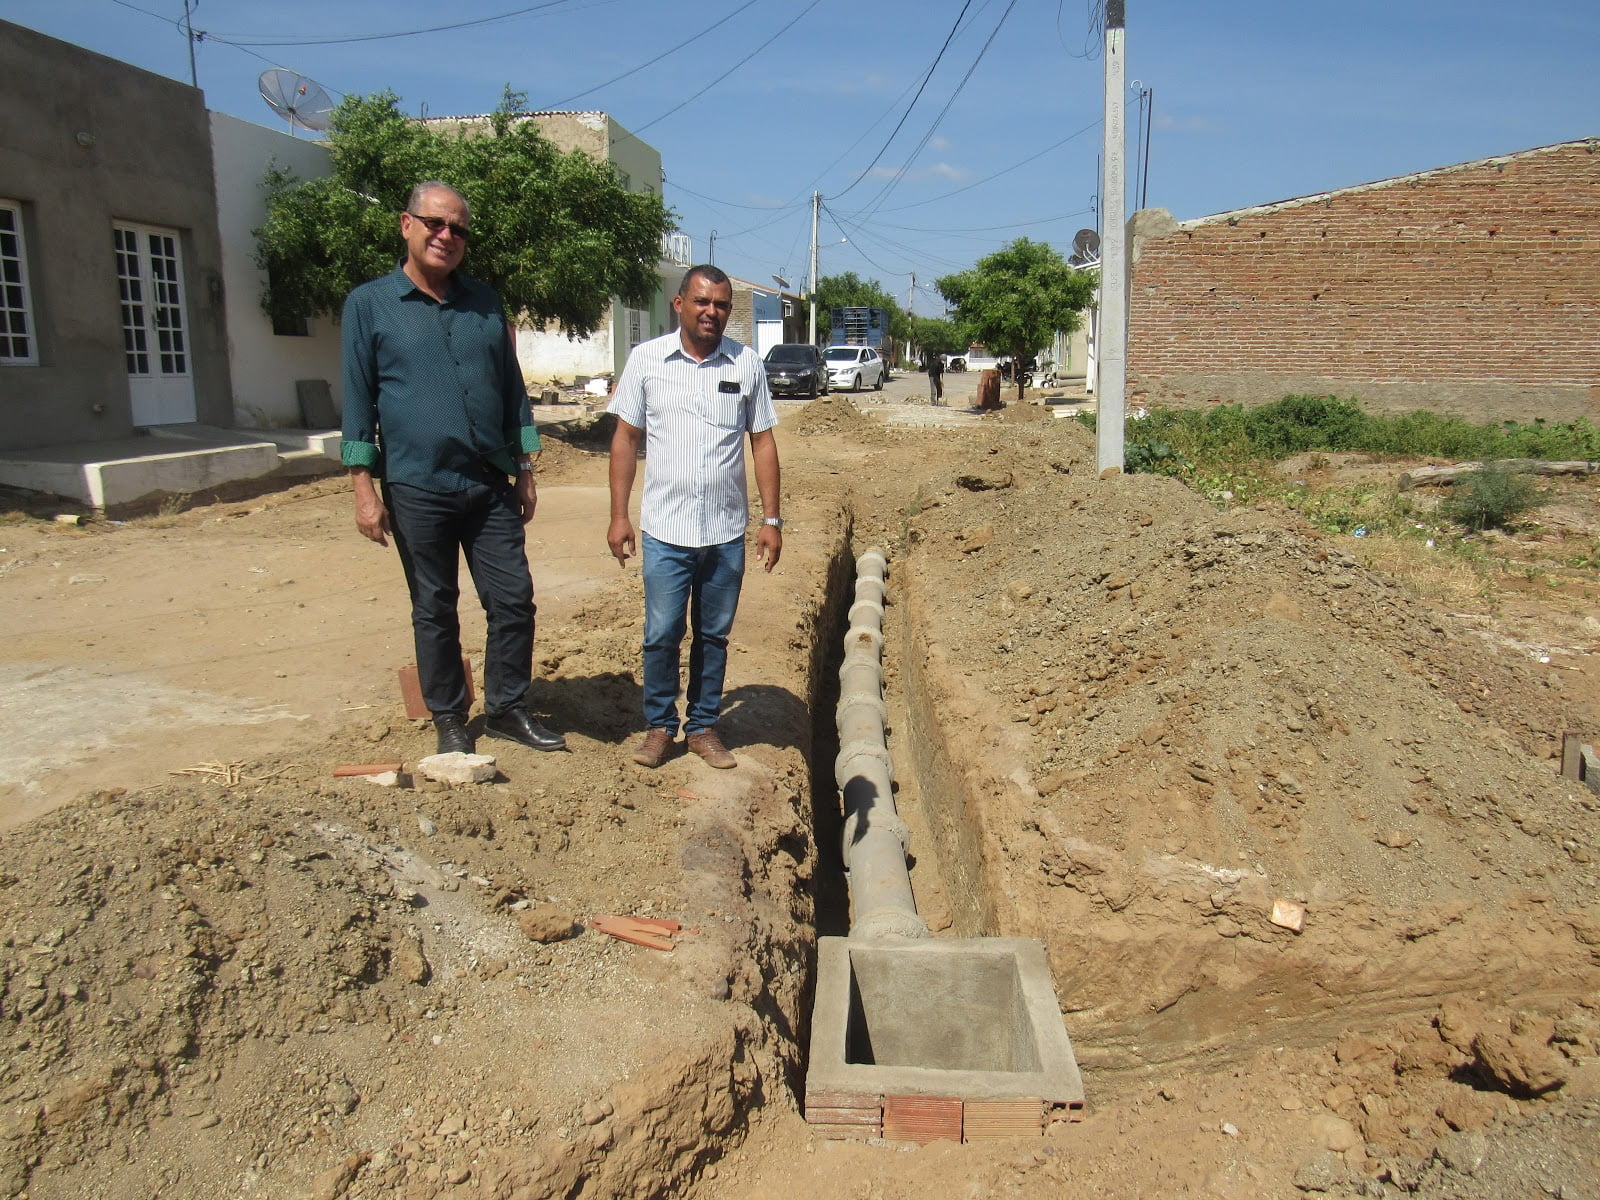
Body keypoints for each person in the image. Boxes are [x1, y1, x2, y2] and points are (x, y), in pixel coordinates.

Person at [341, 181, 565, 757]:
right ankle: (448, 717)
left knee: (513, 598)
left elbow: (513, 389)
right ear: (406, 225)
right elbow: (357, 402)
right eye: (436, 224)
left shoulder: (485, 303)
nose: (447, 236)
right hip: (417, 483)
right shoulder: (369, 305)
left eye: (458, 229)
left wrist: (525, 469)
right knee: (435, 606)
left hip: (488, 481)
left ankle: (509, 707)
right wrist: (365, 489)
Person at [606, 265, 782, 770]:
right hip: (665, 529)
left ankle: (703, 726)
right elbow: (625, 439)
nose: (712, 312)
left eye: (721, 305)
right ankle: (660, 726)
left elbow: (763, 440)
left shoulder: (746, 364)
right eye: (702, 302)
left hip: (725, 531)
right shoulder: (646, 360)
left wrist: (772, 520)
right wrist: (619, 515)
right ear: (679, 304)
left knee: (713, 634)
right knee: (661, 632)